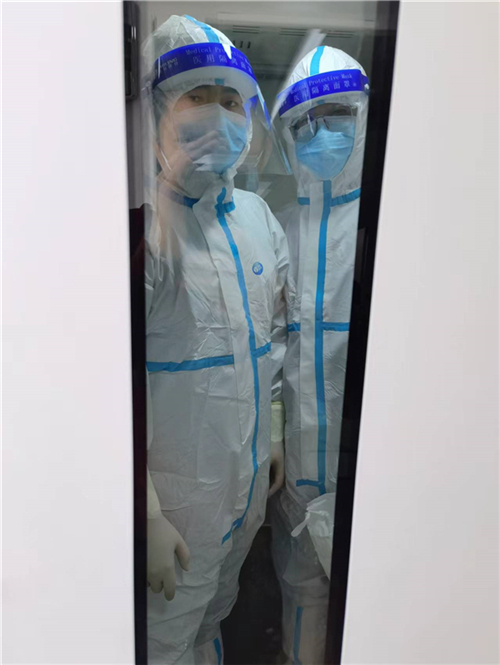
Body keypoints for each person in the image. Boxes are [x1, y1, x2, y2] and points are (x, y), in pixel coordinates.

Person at [143, 15, 289, 664]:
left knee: (211, 625)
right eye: (196, 97)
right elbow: (102, 393)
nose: (218, 114)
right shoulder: (145, 228)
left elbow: (273, 338)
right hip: (177, 508)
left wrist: (275, 432)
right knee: (162, 642)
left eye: (231, 100)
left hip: (245, 491)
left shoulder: (258, 218)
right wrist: (144, 511)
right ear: (156, 113)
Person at [271, 46, 369, 664]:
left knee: (372, 613)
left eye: (337, 115)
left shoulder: (390, 225)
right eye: (305, 122)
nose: (321, 132)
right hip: (299, 477)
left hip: (368, 471)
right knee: (301, 607)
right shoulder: (278, 227)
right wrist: (275, 437)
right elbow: (270, 350)